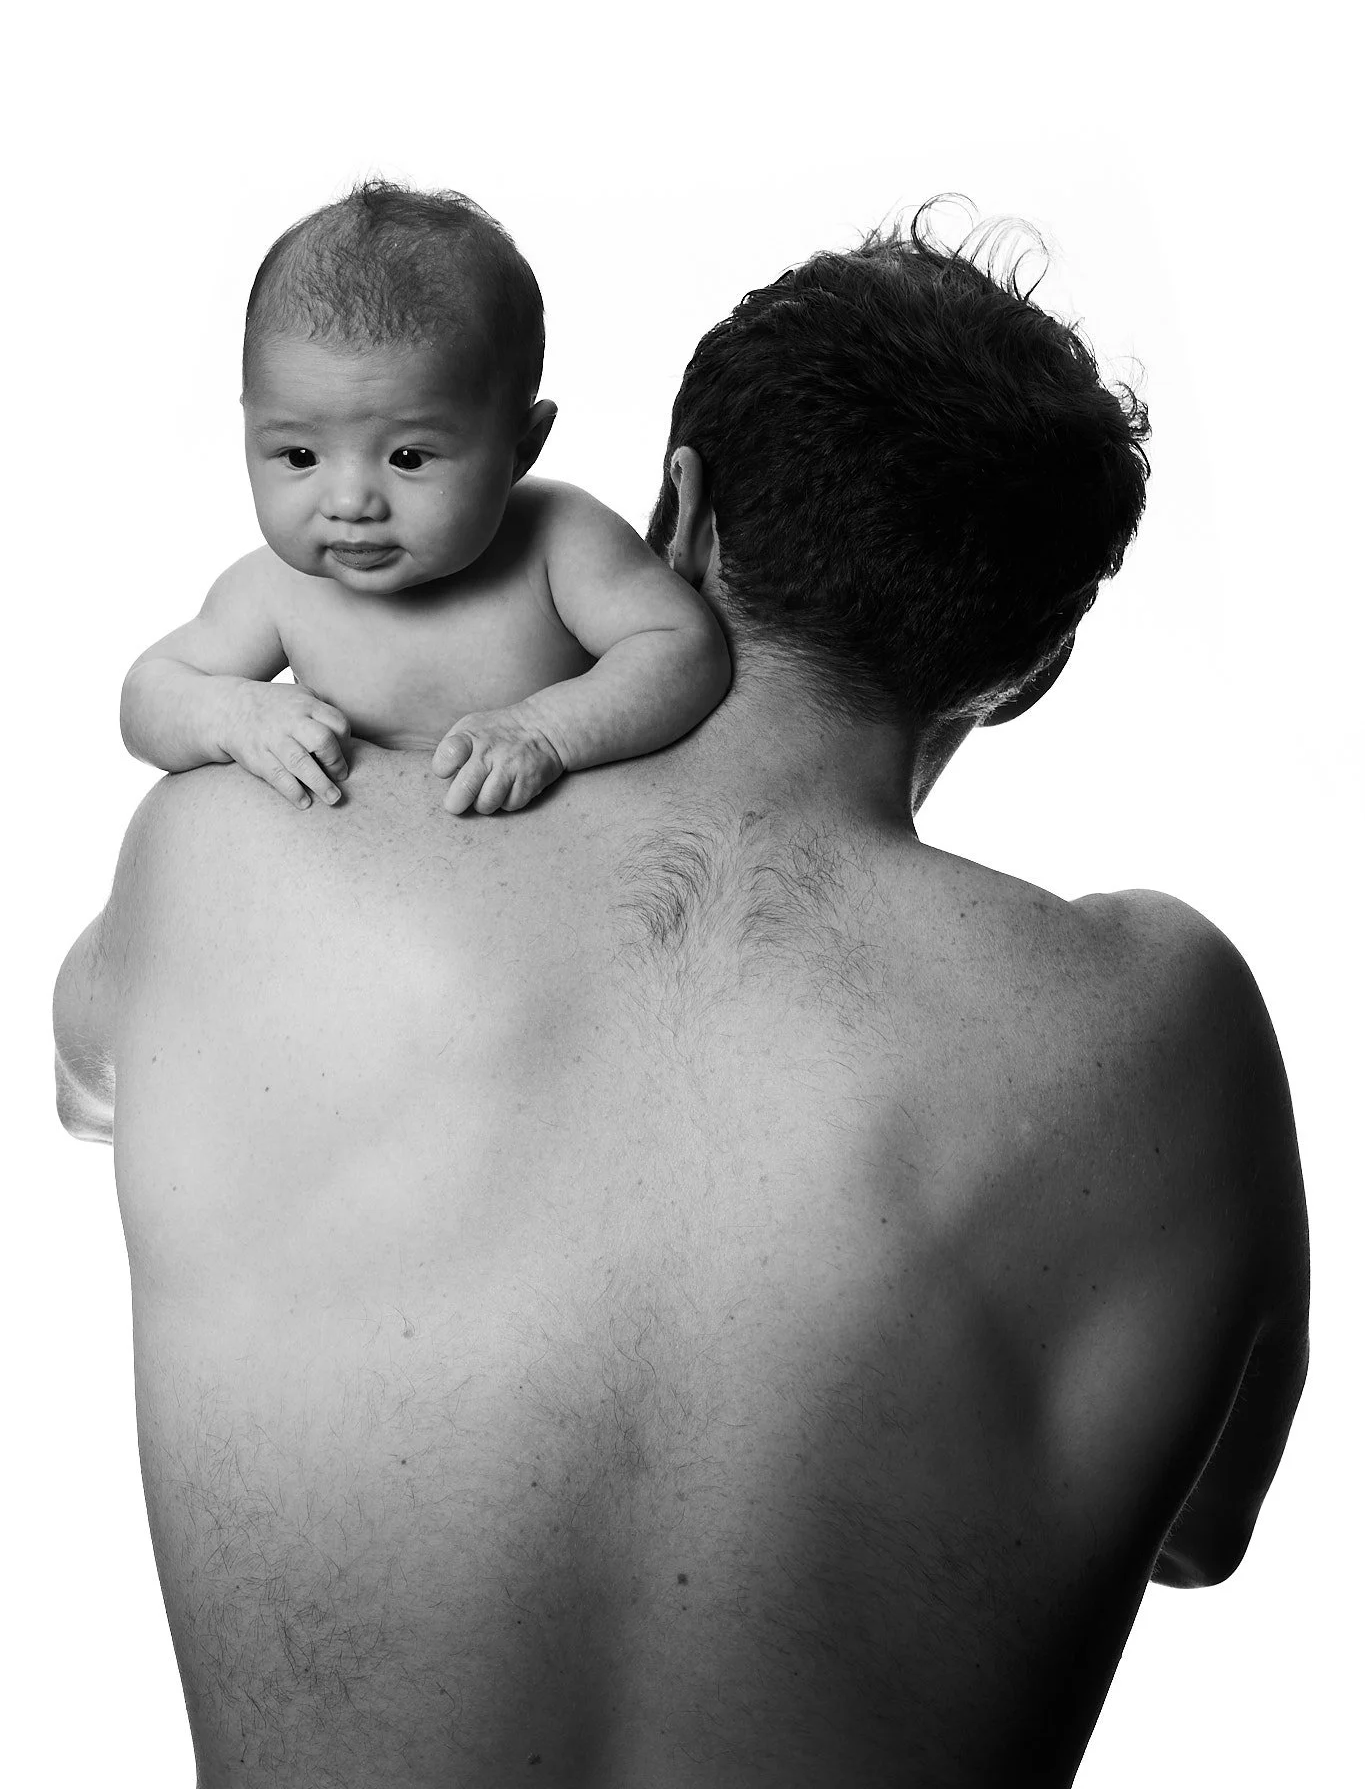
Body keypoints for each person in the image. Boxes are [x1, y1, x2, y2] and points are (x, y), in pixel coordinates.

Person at [55, 211, 1309, 1787]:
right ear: (1032, 667)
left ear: (679, 512)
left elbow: (94, 1085)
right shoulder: (1164, 1033)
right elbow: (1201, 1529)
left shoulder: (230, 852)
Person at [121, 181, 731, 815]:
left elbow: (685, 646)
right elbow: (147, 694)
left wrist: (547, 729)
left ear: (522, 448)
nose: (351, 503)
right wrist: (235, 713)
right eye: (300, 456)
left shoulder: (559, 544)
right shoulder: (275, 590)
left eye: (408, 458)